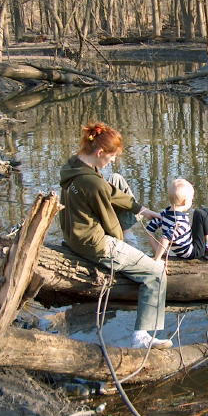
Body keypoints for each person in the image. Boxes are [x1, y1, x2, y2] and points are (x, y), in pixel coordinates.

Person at [59, 122, 173, 349]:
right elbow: (110, 224)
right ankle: (141, 337)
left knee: (117, 179)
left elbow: (110, 190)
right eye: (111, 157)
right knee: (157, 274)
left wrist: (142, 210)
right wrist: (132, 253)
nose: (112, 161)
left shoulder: (74, 165)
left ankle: (133, 231)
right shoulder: (91, 183)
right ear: (100, 152)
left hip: (73, 234)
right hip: (95, 243)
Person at [146, 178, 208, 261]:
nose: (192, 200)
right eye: (192, 198)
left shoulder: (164, 215)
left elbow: (149, 230)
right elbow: (165, 239)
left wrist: (157, 250)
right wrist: (157, 258)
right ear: (186, 202)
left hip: (190, 242)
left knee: (205, 211)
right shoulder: (180, 223)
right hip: (193, 252)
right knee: (200, 214)